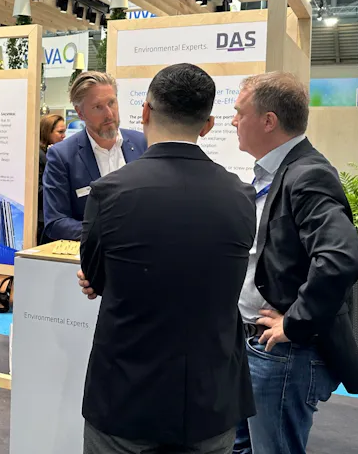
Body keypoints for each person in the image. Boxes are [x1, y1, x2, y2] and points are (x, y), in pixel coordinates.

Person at [80, 64, 255, 454]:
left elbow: (96, 279)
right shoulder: (241, 195)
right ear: (208, 125)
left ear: (144, 113)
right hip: (210, 400)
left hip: (125, 396)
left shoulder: (109, 193)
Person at [230, 72, 358, 454]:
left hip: (284, 354)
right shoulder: (281, 172)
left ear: (268, 121)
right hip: (258, 345)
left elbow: (341, 257)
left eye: (239, 112)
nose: (232, 121)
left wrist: (295, 322)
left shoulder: (308, 174)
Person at [42, 72, 146, 241]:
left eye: (112, 103)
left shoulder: (142, 143)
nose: (109, 114)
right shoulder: (62, 156)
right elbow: (56, 222)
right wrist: (107, 233)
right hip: (93, 259)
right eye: (98, 107)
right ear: (80, 113)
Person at [38, 114, 66, 244]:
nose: (64, 136)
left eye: (64, 131)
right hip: (42, 220)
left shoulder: (56, 154)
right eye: (60, 132)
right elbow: (36, 190)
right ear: (46, 132)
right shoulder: (40, 156)